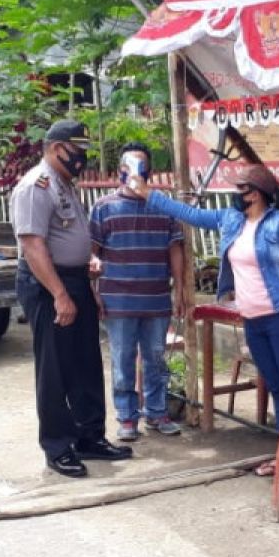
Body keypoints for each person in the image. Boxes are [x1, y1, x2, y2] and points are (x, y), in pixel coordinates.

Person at [136, 164, 279, 491]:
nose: (238, 195)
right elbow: (190, 214)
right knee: (278, 387)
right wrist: (149, 195)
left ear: (260, 192)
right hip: (252, 318)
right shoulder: (231, 220)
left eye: (244, 190)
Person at [11, 119, 131, 478]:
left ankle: (90, 437)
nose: (82, 157)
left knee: (85, 363)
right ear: (55, 147)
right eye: (76, 150)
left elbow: (68, 240)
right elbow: (32, 246)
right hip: (49, 285)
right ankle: (58, 447)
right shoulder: (36, 186)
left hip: (74, 280)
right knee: (55, 369)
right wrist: (60, 294)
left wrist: (85, 277)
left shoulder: (63, 183)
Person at [89, 143, 185, 441]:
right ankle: (127, 417)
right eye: (129, 165)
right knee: (123, 359)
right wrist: (93, 291)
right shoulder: (104, 207)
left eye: (140, 166)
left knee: (155, 358)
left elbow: (176, 251)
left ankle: (156, 413)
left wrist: (180, 289)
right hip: (118, 300)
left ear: (149, 172)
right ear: (120, 170)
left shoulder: (164, 207)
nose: (134, 172)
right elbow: (92, 253)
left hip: (156, 297)